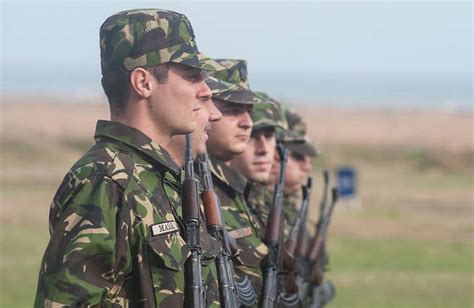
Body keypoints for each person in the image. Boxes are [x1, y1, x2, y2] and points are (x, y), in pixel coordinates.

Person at [34, 9, 225, 307]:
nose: (205, 90)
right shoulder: (105, 180)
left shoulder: (157, 177)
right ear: (143, 83)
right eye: (192, 76)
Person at [205, 59, 269, 301]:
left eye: (249, 112)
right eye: (233, 111)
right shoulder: (191, 187)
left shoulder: (237, 187)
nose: (248, 123)